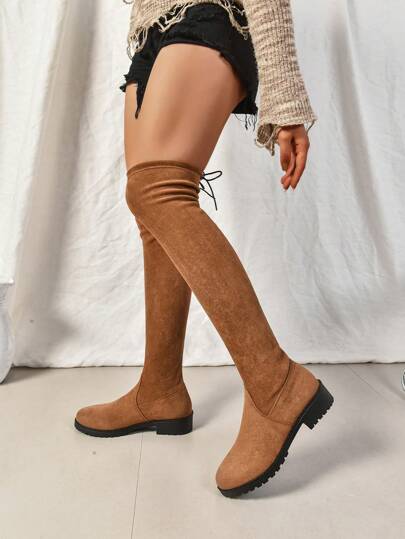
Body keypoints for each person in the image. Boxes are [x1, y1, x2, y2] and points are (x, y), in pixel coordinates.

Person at [74, 0, 334, 498]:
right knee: (153, 212)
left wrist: (285, 99)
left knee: (158, 191)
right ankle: (160, 389)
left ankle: (276, 382)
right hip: (153, 29)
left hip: (210, 13)